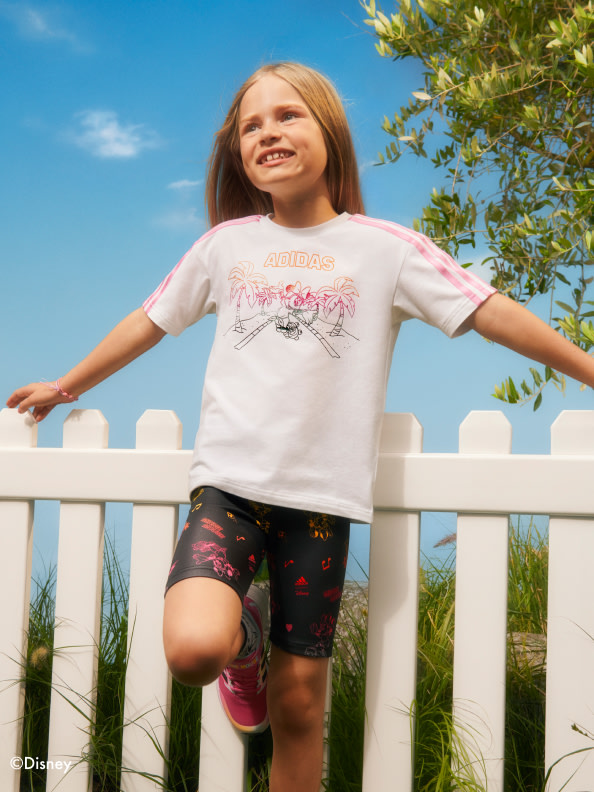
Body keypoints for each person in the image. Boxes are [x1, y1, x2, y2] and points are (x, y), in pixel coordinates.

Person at [6, 62, 594, 792]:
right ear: (236, 154)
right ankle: (241, 645)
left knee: (300, 708)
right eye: (251, 126)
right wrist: (70, 384)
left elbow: (491, 311)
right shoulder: (224, 247)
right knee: (194, 650)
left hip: (321, 506)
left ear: (329, 133)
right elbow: (148, 319)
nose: (268, 133)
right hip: (229, 490)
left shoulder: (387, 249)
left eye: (288, 116)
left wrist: (591, 370)